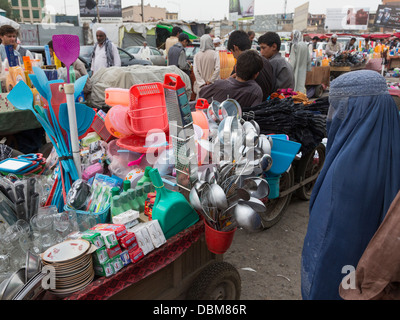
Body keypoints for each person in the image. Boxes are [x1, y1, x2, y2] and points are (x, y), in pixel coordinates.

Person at [301, 70, 400, 300]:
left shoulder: (346, 171)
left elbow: (328, 244)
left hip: (346, 282)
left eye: (339, 108)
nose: (333, 116)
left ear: (357, 110)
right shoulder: (392, 138)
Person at [199, 49, 263, 110]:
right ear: (256, 74)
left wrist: (226, 80)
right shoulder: (256, 91)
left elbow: (201, 94)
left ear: (235, 68)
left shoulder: (218, 85)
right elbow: (254, 113)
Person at [227, 30, 276, 101]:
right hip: (265, 104)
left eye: (232, 52)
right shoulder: (265, 61)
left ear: (235, 48)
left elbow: (232, 89)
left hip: (250, 108)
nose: (233, 56)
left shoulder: (241, 65)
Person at [193, 34, 220, 99]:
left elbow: (195, 71)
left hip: (201, 88)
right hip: (212, 86)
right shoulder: (215, 54)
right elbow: (217, 69)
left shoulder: (196, 55)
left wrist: (202, 83)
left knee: (200, 104)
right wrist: (210, 81)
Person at [289, 30, 311, 94]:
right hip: (303, 70)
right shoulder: (305, 45)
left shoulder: (294, 46)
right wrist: (308, 69)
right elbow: (308, 59)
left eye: (292, 36)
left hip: (295, 70)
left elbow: (293, 61)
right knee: (301, 86)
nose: (291, 37)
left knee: (295, 87)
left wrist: (290, 70)